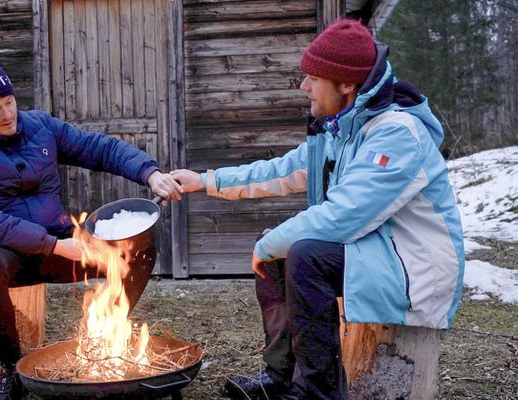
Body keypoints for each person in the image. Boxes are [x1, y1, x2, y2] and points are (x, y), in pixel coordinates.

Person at [172, 19, 465, 400]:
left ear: (346, 84)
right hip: (380, 250)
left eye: (313, 78)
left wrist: (267, 248)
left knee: (304, 253)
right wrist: (205, 181)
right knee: (282, 247)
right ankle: (282, 377)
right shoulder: (344, 129)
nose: (303, 86)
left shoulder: (396, 132)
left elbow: (344, 216)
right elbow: (283, 170)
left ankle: (317, 392)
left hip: (416, 266)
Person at [0, 48, 183, 400]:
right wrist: (54, 244)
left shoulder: (40, 126)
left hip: (56, 243)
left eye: (9, 101)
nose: (7, 115)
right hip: (2, 251)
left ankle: (104, 335)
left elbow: (99, 149)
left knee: (139, 250)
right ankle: (11, 369)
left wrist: (150, 172)